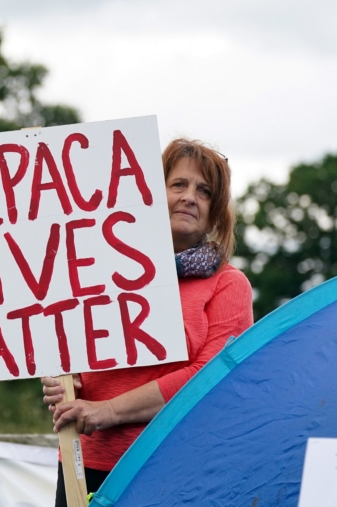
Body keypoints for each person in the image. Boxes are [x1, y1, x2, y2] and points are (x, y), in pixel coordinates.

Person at [42, 138, 253, 503]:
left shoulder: (227, 285)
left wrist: (106, 410)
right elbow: (71, 350)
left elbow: (208, 378)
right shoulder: (96, 271)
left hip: (173, 468)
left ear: (215, 210)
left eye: (204, 191)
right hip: (84, 464)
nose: (190, 197)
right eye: (178, 185)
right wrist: (64, 381)